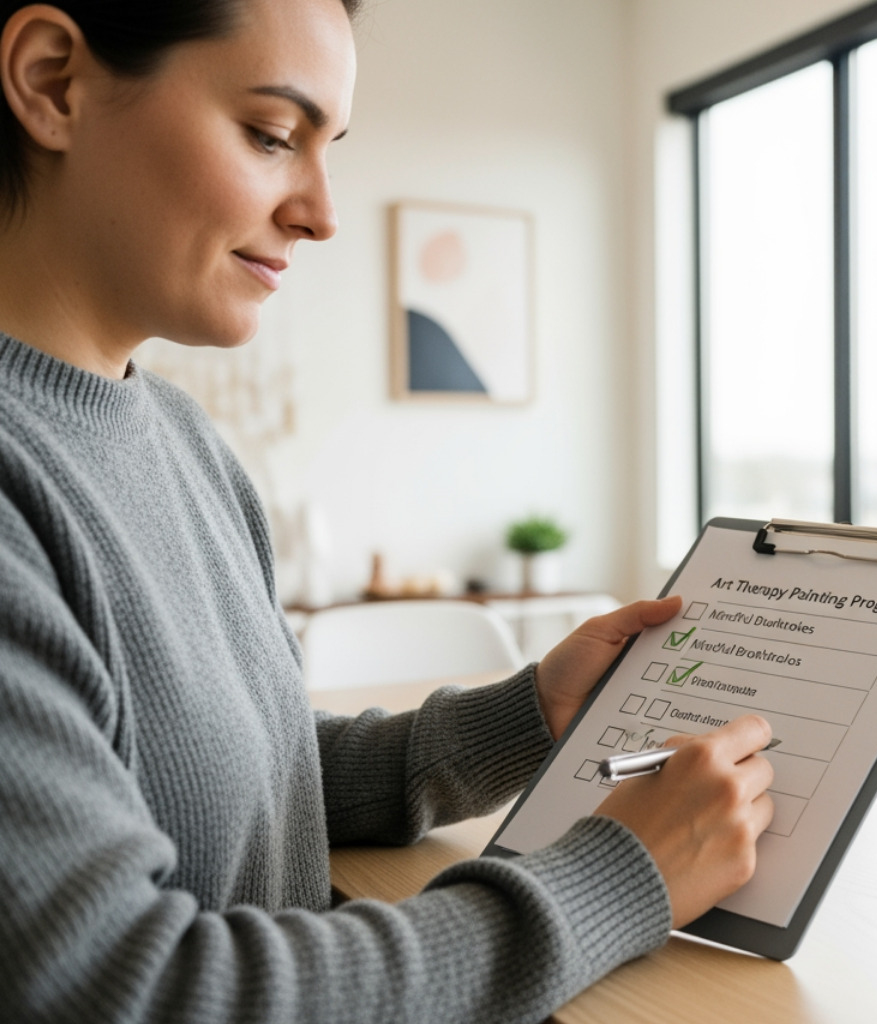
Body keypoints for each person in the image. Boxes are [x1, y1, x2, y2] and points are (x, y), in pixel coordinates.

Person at [0, 1, 775, 1021]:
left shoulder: (187, 444)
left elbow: (241, 772)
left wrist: (529, 712)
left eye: (329, 150)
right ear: (54, 80)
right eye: (273, 136)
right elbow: (126, 985)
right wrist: (621, 875)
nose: (322, 213)